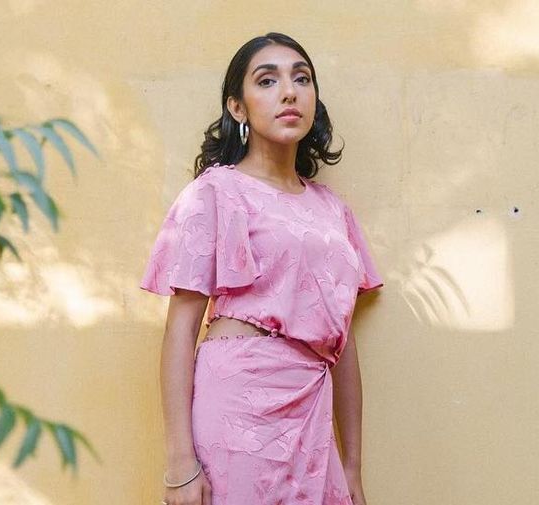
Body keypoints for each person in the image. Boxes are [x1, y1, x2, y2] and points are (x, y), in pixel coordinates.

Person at [140, 32, 384, 505]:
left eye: (302, 79)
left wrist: (353, 467)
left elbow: (344, 339)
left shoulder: (333, 210)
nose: (289, 92)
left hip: (312, 409)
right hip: (239, 402)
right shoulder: (215, 193)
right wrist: (179, 463)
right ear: (238, 107)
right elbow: (180, 329)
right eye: (267, 81)